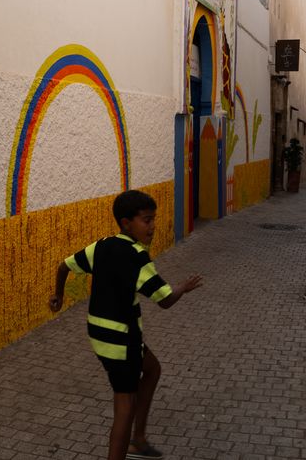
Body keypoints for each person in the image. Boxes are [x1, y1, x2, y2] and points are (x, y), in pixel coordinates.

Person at [49, 190, 203, 460]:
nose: (152, 226)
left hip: (99, 332)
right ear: (126, 223)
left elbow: (64, 266)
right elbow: (165, 300)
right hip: (121, 340)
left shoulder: (102, 245)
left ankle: (139, 439)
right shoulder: (137, 257)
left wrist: (58, 295)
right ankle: (130, 446)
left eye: (154, 219)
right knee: (125, 407)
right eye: (146, 220)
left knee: (152, 369)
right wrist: (184, 287)